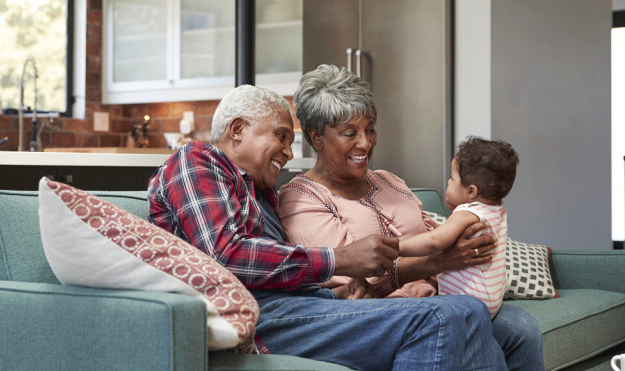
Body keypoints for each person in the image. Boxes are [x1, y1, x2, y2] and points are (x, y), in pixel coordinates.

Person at [148, 84, 510, 371]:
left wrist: (338, 294)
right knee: (446, 315)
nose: (289, 153)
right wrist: (340, 260)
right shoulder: (197, 160)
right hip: (254, 317)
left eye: (291, 141)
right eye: (281, 136)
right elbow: (227, 255)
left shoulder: (260, 192)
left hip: (296, 309)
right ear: (238, 129)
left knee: (471, 312)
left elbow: (280, 271)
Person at [278, 64, 544, 370]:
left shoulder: (389, 180)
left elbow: (435, 232)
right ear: (317, 137)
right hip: (389, 313)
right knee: (468, 319)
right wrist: (444, 261)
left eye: (371, 129)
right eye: (350, 133)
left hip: (442, 295)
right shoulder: (301, 198)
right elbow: (352, 276)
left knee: (522, 328)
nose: (365, 143)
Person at [398, 136, 519, 317]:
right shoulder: (497, 208)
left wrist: (397, 248)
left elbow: (434, 241)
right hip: (491, 299)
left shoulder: (466, 213)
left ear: (471, 191)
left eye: (451, 178)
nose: (448, 182)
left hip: (467, 301)